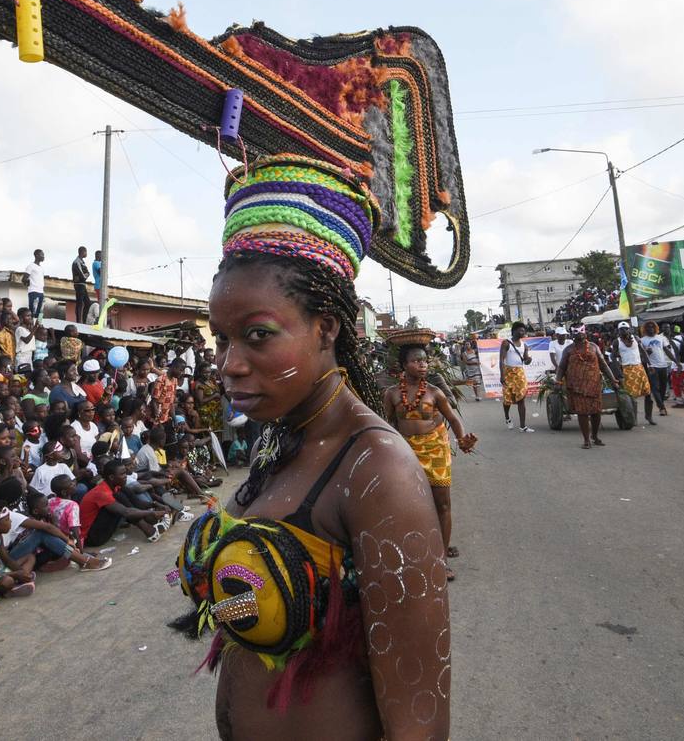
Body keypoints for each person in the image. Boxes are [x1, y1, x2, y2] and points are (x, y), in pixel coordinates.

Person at [172, 154, 448, 739]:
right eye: (221, 339)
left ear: (327, 328)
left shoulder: (378, 471)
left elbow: (419, 719)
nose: (230, 365)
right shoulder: (279, 441)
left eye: (258, 335)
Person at [382, 336, 477, 579]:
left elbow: (454, 420)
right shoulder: (392, 394)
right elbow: (385, 424)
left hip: (435, 450)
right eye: (416, 361)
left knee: (442, 504)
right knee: (407, 506)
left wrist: (462, 439)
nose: (422, 365)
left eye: (424, 361)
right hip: (406, 452)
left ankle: (441, 560)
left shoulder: (435, 393)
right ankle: (409, 553)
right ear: (404, 365)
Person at [558, 326, 610, 449]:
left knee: (596, 412)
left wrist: (613, 380)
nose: (580, 334)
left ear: (585, 333)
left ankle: (595, 436)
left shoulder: (594, 347)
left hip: (594, 385)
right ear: (572, 334)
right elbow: (561, 367)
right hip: (577, 387)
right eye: (576, 332)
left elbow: (604, 365)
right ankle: (586, 440)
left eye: (582, 332)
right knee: (582, 413)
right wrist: (558, 381)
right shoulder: (568, 350)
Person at [614, 322, 662, 425]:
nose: (624, 331)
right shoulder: (617, 342)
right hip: (627, 370)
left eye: (626, 329)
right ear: (618, 331)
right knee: (631, 396)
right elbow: (613, 357)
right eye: (622, 329)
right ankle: (633, 419)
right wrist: (617, 370)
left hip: (639, 368)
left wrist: (650, 365)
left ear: (629, 329)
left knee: (648, 394)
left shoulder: (636, 338)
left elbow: (643, 352)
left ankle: (649, 417)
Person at [499, 321, 533, 432]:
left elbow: (525, 361)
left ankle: (523, 426)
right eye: (521, 330)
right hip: (508, 372)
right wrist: (502, 375)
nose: (523, 332)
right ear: (514, 331)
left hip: (520, 373)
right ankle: (507, 418)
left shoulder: (525, 345)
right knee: (507, 399)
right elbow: (501, 360)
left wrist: (529, 360)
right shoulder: (506, 343)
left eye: (524, 330)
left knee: (521, 398)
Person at [25, 249, 47, 318]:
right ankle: (31, 326)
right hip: (33, 291)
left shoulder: (41, 268)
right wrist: (28, 283)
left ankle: (39, 325)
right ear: (36, 255)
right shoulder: (31, 266)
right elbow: (24, 278)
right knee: (33, 312)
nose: (43, 256)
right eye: (42, 255)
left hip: (41, 292)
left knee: (40, 312)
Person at [71, 246, 90, 323]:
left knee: (88, 303)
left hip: (82, 284)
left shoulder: (82, 262)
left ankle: (84, 320)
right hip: (79, 284)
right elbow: (83, 275)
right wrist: (85, 275)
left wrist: (85, 275)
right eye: (86, 252)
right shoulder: (76, 262)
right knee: (80, 303)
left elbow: (88, 273)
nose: (86, 254)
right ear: (82, 252)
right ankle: (78, 321)